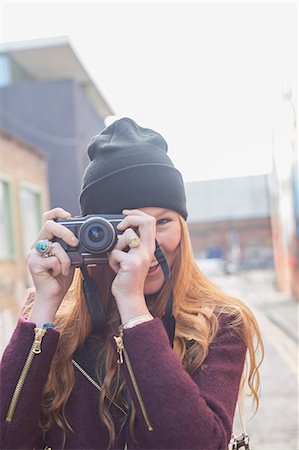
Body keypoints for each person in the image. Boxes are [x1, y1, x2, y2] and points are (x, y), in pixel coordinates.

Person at [0, 117, 263, 450]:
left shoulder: (221, 322)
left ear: (183, 226)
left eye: (162, 222)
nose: (145, 242)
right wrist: (45, 307)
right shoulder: (49, 316)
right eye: (126, 225)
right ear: (93, 232)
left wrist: (134, 311)